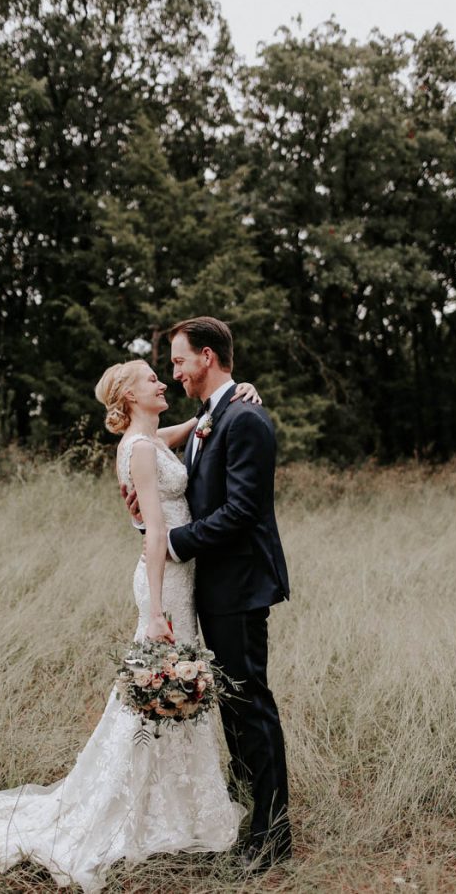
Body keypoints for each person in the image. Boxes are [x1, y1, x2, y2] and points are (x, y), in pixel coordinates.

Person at [0, 359, 260, 891]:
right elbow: (152, 533)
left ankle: (176, 802)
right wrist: (152, 614)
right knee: (162, 690)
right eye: (152, 379)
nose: (163, 382)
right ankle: (154, 810)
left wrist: (238, 390)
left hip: (178, 579)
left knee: (171, 693)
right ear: (129, 394)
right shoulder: (142, 452)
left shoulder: (146, 440)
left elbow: (194, 427)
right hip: (165, 581)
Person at [124, 317, 292, 872]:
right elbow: (174, 476)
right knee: (234, 712)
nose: (174, 373)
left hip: (239, 586)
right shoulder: (210, 418)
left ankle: (272, 840)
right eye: (168, 366)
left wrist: (172, 541)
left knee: (251, 710)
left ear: (208, 357)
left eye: (179, 361)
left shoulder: (244, 418)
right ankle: (250, 815)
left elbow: (242, 511)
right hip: (210, 588)